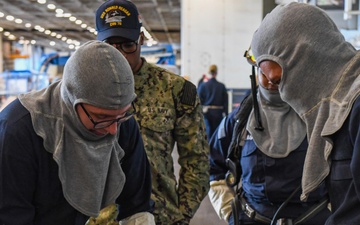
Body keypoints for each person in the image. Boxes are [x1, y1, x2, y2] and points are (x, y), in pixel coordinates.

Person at [0, 40, 154, 225]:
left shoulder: (121, 122)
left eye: (121, 116)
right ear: (73, 101)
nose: (113, 130)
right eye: (101, 117)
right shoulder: (19, 130)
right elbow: (11, 216)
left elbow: (137, 204)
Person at [95, 0, 210, 224]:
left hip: (160, 216)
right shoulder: (85, 90)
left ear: (141, 39)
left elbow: (197, 160)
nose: (119, 55)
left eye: (127, 45)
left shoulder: (176, 90)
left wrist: (182, 214)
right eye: (110, 46)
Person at [250, 2, 360, 224]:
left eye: (281, 82)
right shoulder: (339, 109)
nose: (283, 93)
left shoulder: (355, 107)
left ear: (306, 58)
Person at [208, 53, 331, 224]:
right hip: (252, 218)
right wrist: (229, 210)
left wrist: (335, 210)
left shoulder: (323, 117)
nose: (271, 80)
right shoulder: (239, 120)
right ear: (256, 71)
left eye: (279, 72)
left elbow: (347, 168)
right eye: (264, 73)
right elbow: (213, 167)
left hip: (314, 217)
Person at [198, 64, 229, 140]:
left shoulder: (203, 85)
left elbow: (199, 100)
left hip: (207, 113)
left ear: (209, 72)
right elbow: (225, 100)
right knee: (217, 133)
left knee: (208, 132)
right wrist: (226, 113)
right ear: (216, 72)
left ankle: (208, 150)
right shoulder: (221, 86)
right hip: (218, 112)